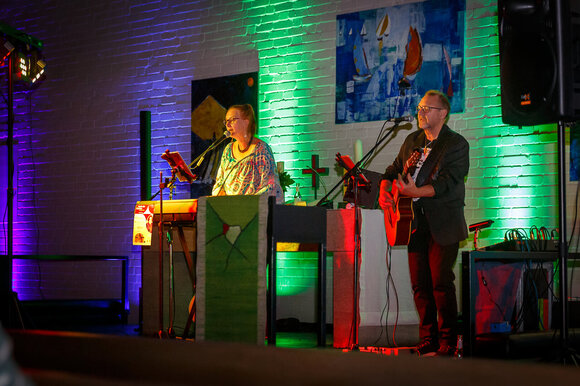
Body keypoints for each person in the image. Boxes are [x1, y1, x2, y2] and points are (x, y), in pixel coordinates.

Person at [379, 90, 469, 357]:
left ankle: (448, 341)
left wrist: (415, 192)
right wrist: (386, 190)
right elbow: (392, 170)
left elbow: (448, 183)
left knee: (441, 282)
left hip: (444, 223)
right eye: (419, 108)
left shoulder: (456, 144)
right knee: (420, 284)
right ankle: (427, 339)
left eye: (426, 108)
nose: (420, 113)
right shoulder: (412, 140)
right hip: (413, 222)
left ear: (442, 113)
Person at [212, 104, 283, 203]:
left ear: (246, 122)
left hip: (253, 211)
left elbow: (271, 187)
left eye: (232, 120)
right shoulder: (228, 150)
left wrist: (244, 203)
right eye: (226, 121)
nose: (228, 125)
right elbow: (219, 184)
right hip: (229, 211)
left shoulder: (261, 149)